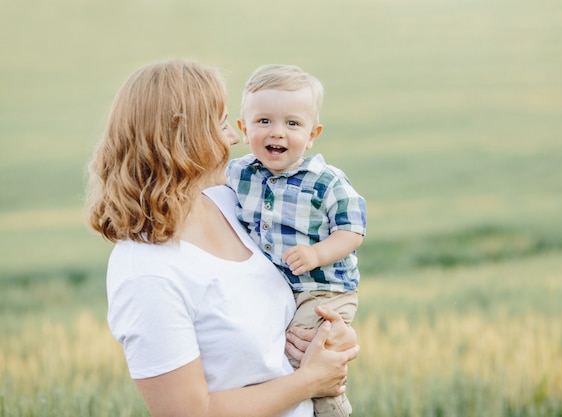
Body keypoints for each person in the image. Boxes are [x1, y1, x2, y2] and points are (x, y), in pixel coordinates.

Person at [86, 60, 359, 417]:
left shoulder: (230, 203)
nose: (234, 138)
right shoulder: (146, 272)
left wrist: (335, 337)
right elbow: (188, 414)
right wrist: (310, 381)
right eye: (222, 124)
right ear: (184, 140)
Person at [226, 64, 366, 417]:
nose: (278, 133)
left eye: (292, 124)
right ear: (243, 129)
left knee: (302, 349)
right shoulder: (239, 174)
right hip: (278, 288)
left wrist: (317, 253)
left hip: (323, 290)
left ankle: (331, 406)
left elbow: (352, 230)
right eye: (264, 122)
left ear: (312, 133)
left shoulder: (326, 181)